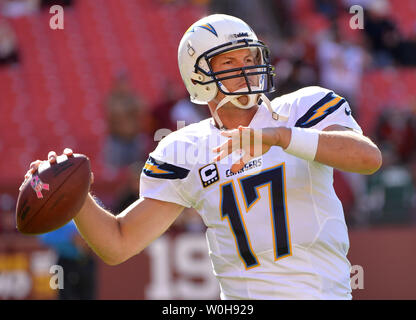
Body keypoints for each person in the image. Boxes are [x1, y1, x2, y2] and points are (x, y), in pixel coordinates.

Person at [23, 14, 382, 300]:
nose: (247, 68)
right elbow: (118, 244)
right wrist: (75, 195)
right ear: (200, 77)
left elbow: (367, 158)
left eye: (250, 57)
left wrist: (279, 138)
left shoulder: (302, 108)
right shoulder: (184, 149)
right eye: (229, 61)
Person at [38, 220, 97, 300]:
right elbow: (44, 237)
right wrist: (70, 237)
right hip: (63, 263)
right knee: (64, 296)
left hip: (85, 261)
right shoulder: (55, 218)